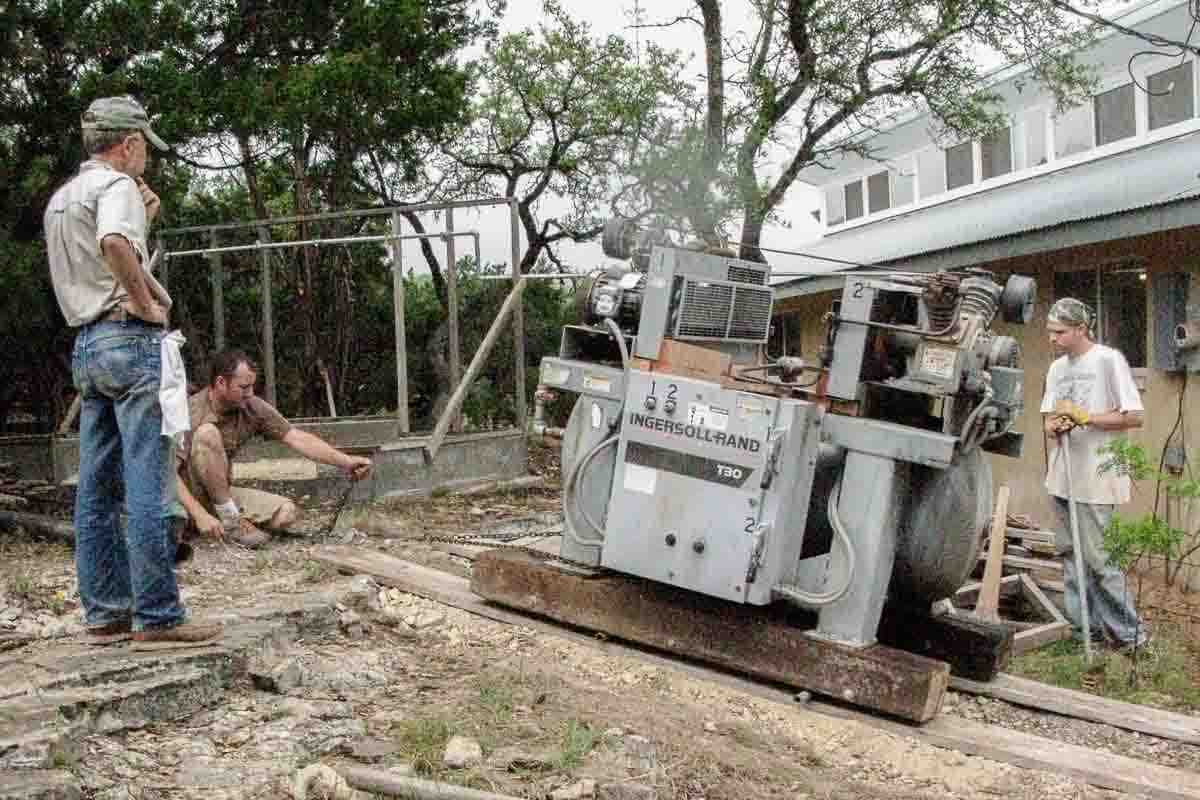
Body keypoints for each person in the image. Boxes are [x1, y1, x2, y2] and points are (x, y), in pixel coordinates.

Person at [44, 96, 221, 648]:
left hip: (88, 345)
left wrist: (147, 222)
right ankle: (159, 616)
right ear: (130, 144)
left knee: (95, 489)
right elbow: (114, 244)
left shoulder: (62, 198)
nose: (146, 159)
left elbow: (104, 254)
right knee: (148, 480)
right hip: (128, 337)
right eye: (145, 148)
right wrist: (145, 302)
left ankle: (105, 614)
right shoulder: (116, 186)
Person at [175, 350, 373, 547]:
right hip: (184, 499)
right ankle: (226, 521)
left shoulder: (251, 406)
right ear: (220, 383)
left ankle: (226, 525)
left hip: (220, 495)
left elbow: (297, 438)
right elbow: (164, 474)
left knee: (286, 513)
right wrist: (198, 514)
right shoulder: (189, 412)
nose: (250, 393)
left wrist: (346, 461)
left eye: (252, 386)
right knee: (207, 434)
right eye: (244, 387)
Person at [1041, 297, 1147, 650]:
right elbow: (1047, 419)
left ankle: (1130, 637)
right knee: (1071, 559)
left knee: (1101, 562)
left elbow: (1134, 415)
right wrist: (1055, 425)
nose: (1052, 339)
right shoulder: (1056, 369)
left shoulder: (1107, 361)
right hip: (1064, 474)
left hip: (1098, 475)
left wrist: (1086, 417)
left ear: (1081, 329)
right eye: (1050, 332)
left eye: (1059, 332)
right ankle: (1083, 630)